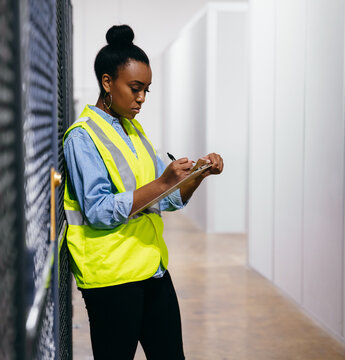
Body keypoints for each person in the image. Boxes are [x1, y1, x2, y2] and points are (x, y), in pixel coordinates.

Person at [63, 24, 223, 360]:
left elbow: (167, 199)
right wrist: (163, 182)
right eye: (135, 88)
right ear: (107, 82)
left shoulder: (132, 130)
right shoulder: (82, 137)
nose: (141, 98)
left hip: (152, 269)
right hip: (112, 279)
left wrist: (196, 176)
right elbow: (98, 210)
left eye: (146, 90)